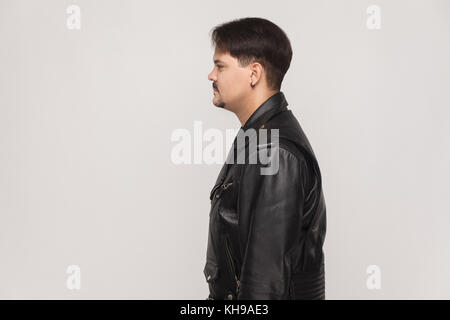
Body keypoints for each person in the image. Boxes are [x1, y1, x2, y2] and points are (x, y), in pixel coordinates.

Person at [204, 17, 327, 300]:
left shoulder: (274, 153)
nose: (211, 75)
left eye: (220, 65)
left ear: (253, 73)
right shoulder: (257, 137)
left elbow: (264, 287)